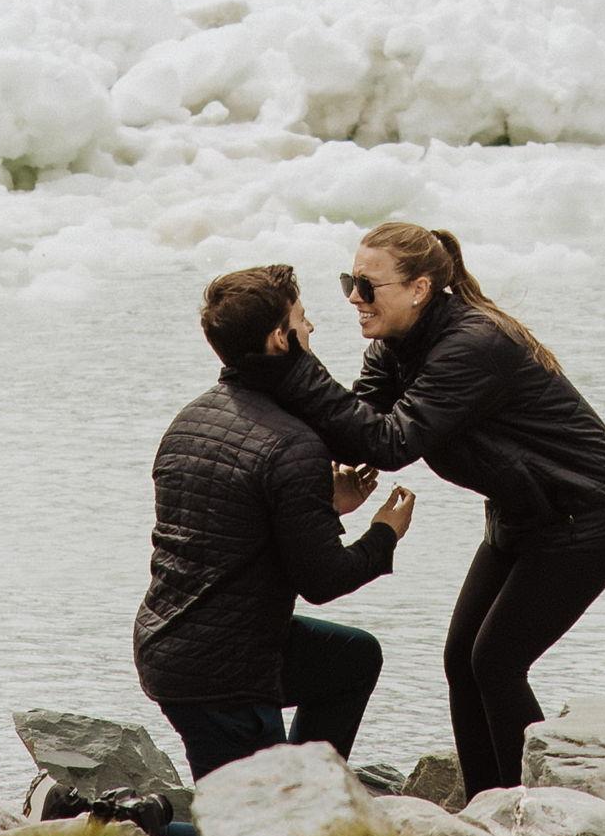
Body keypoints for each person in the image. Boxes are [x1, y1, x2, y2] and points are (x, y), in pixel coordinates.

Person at [264, 221, 605, 798]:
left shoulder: (472, 345)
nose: (351, 298)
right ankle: (486, 802)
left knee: (494, 660)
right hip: (522, 513)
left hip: (588, 515)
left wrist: (298, 369)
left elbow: (391, 443)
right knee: (460, 659)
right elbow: (354, 426)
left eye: (367, 286)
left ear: (418, 289)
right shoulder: (393, 346)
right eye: (349, 281)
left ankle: (530, 809)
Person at [131, 262, 416, 803]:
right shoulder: (294, 445)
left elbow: (244, 531)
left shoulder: (191, 418)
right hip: (221, 674)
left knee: (351, 659)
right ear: (278, 339)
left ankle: (307, 791)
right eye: (303, 321)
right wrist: (384, 533)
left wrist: (326, 506)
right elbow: (323, 579)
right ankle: (110, 821)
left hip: (174, 640)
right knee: (253, 829)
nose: (312, 331)